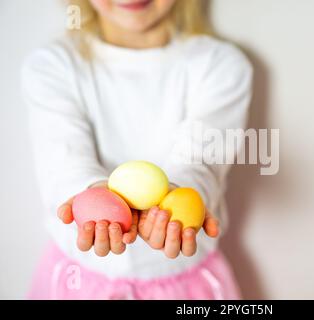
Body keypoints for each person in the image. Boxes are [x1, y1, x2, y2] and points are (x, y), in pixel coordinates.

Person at [22, 0, 253, 299]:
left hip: (184, 286)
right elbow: (64, 160)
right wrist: (94, 195)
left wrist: (178, 200)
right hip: (79, 281)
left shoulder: (220, 65)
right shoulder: (53, 66)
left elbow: (202, 161)